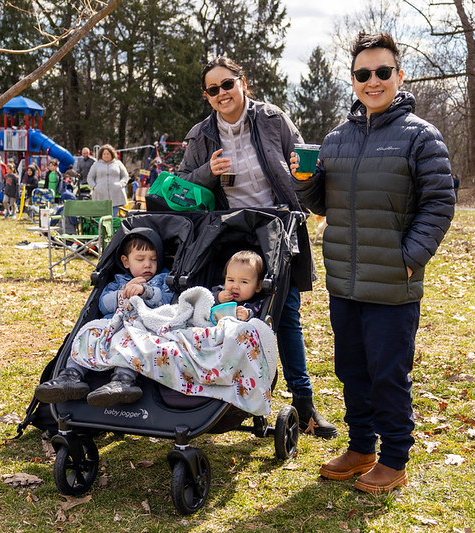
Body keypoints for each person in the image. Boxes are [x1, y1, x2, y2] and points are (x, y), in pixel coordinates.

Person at [292, 32, 455, 493]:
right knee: (352, 369)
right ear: (354, 81)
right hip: (345, 280)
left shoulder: (421, 136)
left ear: (399, 76)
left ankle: (395, 458)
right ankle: (361, 446)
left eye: (383, 72)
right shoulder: (337, 138)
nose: (374, 80)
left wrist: (409, 259)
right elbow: (323, 202)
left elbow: (439, 203)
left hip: (392, 282)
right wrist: (303, 180)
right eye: (364, 74)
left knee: (388, 373)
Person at [176, 56, 337, 439]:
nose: (222, 94)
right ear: (207, 96)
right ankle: (231, 391)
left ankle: (304, 403)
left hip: (278, 226)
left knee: (287, 315)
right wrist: (205, 174)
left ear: (242, 82)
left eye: (227, 84)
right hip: (231, 232)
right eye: (213, 90)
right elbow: (183, 186)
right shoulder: (201, 135)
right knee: (229, 311)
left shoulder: (272, 119)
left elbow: (304, 163)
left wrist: (304, 170)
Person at [35, 229, 174, 407]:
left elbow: (165, 301)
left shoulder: (161, 279)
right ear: (125, 261)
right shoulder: (118, 280)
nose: (147, 265)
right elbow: (103, 305)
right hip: (110, 325)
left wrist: (145, 291)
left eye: (153, 260)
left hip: (138, 327)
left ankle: (123, 380)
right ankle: (71, 375)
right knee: (87, 333)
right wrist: (122, 294)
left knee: (132, 344)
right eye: (140, 259)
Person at [212, 250, 265, 321]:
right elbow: (206, 300)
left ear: (258, 286)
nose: (235, 286)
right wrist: (218, 298)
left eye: (244, 282)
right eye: (231, 280)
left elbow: (258, 316)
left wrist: (247, 315)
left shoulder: (256, 303)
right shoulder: (220, 290)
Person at [87, 144, 128, 214]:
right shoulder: (96, 165)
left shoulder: (118, 163)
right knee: (102, 218)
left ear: (112, 154)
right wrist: (94, 187)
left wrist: (121, 184)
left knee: (114, 218)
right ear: (101, 155)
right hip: (100, 195)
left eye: (108, 154)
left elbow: (125, 176)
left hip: (116, 195)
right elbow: (90, 177)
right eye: (104, 154)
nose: (106, 155)